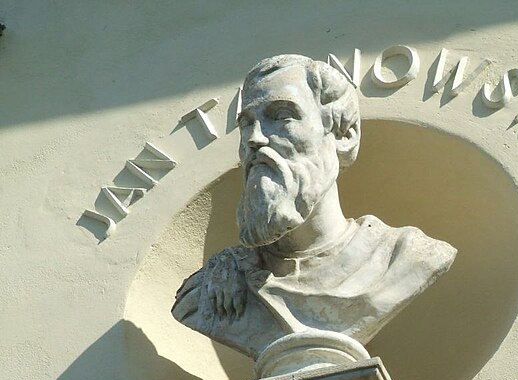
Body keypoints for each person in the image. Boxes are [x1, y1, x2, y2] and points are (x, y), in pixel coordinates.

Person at [172, 54, 456, 360]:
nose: (254, 138)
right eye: (246, 124)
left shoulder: (407, 257)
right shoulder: (209, 289)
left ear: (344, 136)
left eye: (282, 116)